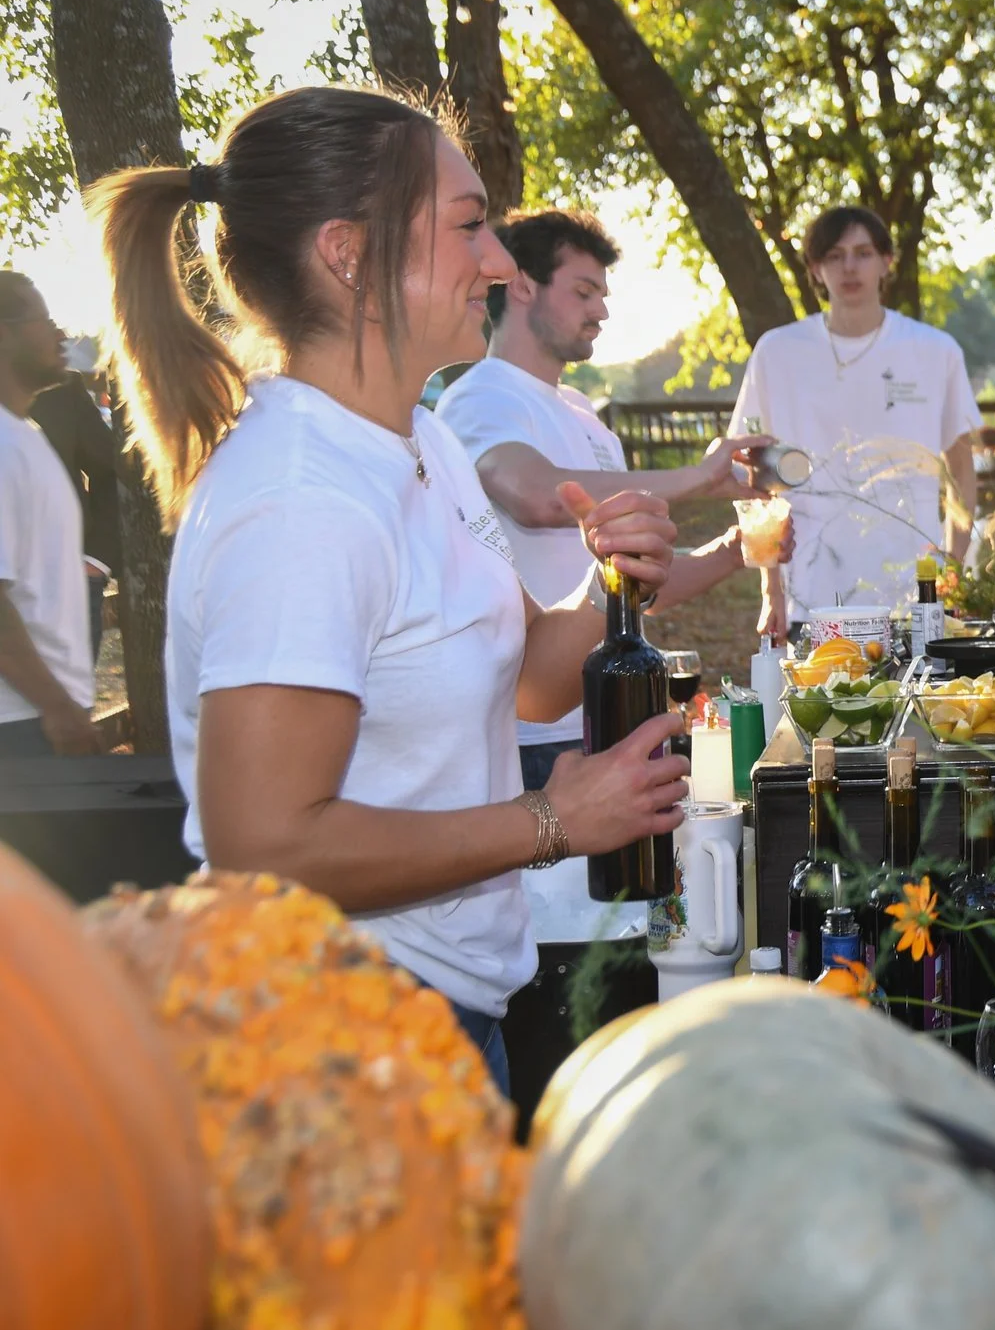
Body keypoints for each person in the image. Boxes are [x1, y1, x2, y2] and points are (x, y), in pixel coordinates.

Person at [96, 86, 691, 1094]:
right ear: (345, 253)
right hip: (333, 1038)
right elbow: (269, 845)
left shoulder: (422, 444)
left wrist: (610, 581)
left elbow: (526, 680)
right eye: (467, 225)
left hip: (436, 1013)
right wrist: (554, 818)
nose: (499, 262)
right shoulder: (299, 499)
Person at [437, 207, 775, 793]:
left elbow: (636, 589)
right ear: (521, 284)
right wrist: (698, 476)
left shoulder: (584, 415)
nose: (602, 311)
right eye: (584, 291)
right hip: (535, 742)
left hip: (620, 720)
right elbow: (537, 495)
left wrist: (735, 550)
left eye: (603, 294)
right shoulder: (478, 398)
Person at [733, 205, 980, 631]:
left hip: (912, 592)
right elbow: (756, 479)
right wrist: (769, 589)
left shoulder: (935, 351)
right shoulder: (778, 352)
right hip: (809, 592)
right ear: (815, 268)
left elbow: (961, 468)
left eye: (863, 253)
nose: (849, 267)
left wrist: (953, 575)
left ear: (887, 261)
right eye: (834, 256)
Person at [0, 272, 97, 756]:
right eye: (45, 321)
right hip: (21, 726)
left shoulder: (22, 432)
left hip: (40, 718)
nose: (60, 335)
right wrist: (58, 708)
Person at [19, 285, 119, 663]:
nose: (58, 335)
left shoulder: (62, 390)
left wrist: (96, 561)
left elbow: (110, 470)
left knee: (70, 715)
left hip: (67, 590)